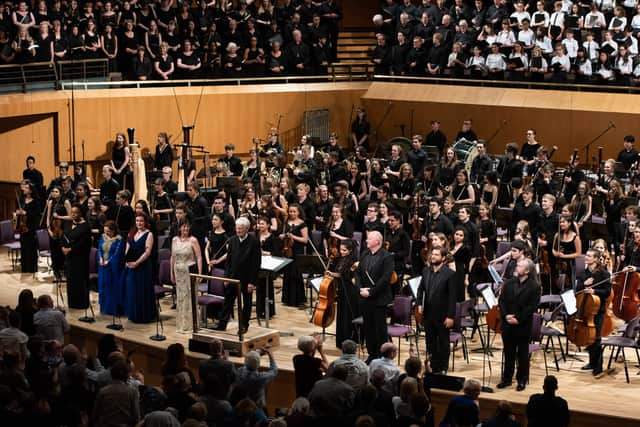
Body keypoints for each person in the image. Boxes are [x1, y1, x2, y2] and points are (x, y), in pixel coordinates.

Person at [498, 258, 541, 391]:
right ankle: (506, 379)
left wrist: (518, 319)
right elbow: (501, 301)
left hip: (522, 325)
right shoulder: (509, 283)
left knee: (522, 355)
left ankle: (522, 380)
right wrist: (505, 315)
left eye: (520, 266)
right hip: (507, 324)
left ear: (527, 271)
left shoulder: (534, 286)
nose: (517, 266)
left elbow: (532, 307)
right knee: (508, 353)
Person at [215, 217, 260, 334]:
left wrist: (252, 282)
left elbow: (256, 264)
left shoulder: (254, 242)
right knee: (228, 302)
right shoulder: (233, 240)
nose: (238, 231)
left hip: (246, 279)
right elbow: (228, 261)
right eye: (237, 228)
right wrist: (226, 277)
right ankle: (222, 324)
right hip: (232, 277)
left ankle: (244, 325)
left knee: (247, 303)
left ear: (246, 229)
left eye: (240, 229)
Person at [354, 230, 394, 363]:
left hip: (379, 299)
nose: (366, 241)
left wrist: (371, 292)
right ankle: (372, 354)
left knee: (380, 330)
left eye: (369, 239)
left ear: (377, 241)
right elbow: (358, 273)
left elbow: (385, 278)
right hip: (364, 298)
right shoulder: (365, 254)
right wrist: (360, 289)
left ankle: (382, 357)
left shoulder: (387, 256)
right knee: (368, 328)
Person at [416, 247, 456, 374]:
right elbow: (420, 289)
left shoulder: (449, 274)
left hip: (443, 314)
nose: (433, 256)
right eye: (432, 254)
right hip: (428, 313)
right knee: (430, 341)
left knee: (443, 342)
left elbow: (452, 298)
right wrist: (419, 303)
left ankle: (443, 368)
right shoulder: (426, 270)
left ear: (443, 258)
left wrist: (450, 316)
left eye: (436, 255)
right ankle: (432, 366)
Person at [577, 249, 611, 377]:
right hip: (585, 309)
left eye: (589, 256)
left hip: (598, 310)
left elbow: (607, 292)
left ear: (596, 259)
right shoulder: (584, 273)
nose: (586, 257)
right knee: (588, 337)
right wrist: (583, 284)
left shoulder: (604, 274)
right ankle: (591, 363)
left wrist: (594, 292)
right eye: (586, 255)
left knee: (596, 338)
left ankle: (598, 367)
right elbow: (576, 289)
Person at [170, 220, 202, 334]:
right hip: (178, 272)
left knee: (189, 297)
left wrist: (199, 273)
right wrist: (171, 273)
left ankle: (190, 324)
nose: (185, 229)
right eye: (183, 227)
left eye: (187, 227)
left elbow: (198, 257)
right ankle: (181, 324)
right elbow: (172, 257)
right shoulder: (174, 240)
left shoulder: (193, 240)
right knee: (180, 298)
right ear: (179, 228)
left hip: (189, 271)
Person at [124, 213, 155, 323]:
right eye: (137, 221)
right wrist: (126, 261)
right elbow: (127, 248)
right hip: (131, 266)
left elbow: (147, 252)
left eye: (141, 221)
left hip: (143, 266)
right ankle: (134, 314)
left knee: (142, 290)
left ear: (145, 222)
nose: (139, 223)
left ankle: (144, 315)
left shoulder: (149, 234)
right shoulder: (132, 233)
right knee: (132, 290)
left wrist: (137, 262)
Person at [327, 239, 359, 348]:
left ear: (350, 250)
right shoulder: (342, 259)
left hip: (350, 292)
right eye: (341, 249)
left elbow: (350, 277)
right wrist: (332, 273)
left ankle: (350, 341)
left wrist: (350, 270)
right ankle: (341, 339)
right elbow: (340, 274)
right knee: (342, 315)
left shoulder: (354, 261)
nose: (342, 252)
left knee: (348, 316)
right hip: (342, 290)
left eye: (344, 250)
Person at [62, 203, 92, 310]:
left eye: (76, 213)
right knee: (71, 280)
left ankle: (81, 304)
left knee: (80, 281)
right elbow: (63, 236)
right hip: (69, 257)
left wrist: (71, 249)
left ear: (81, 213)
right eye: (72, 212)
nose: (74, 215)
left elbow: (84, 243)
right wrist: (63, 247)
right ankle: (72, 303)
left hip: (80, 258)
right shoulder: (67, 223)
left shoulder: (86, 226)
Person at [280, 204, 309, 308]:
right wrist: (283, 236)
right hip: (288, 250)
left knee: (296, 274)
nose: (292, 213)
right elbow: (284, 235)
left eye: (294, 211)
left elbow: (305, 240)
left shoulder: (302, 224)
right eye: (290, 211)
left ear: (298, 212)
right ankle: (288, 299)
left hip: (297, 251)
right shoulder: (286, 222)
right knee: (288, 273)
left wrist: (293, 236)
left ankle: (299, 299)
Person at [98, 220, 124, 316]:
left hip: (113, 268)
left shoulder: (119, 240)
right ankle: (104, 308)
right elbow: (99, 250)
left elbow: (118, 254)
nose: (106, 233)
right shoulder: (102, 237)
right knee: (103, 286)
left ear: (113, 231)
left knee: (112, 287)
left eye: (108, 231)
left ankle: (114, 309)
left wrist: (109, 262)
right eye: (105, 231)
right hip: (103, 267)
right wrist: (100, 258)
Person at [16, 181, 41, 274]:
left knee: (31, 249)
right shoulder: (22, 200)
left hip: (31, 228)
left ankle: (32, 268)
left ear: (30, 191)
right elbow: (19, 211)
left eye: (26, 188)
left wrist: (26, 213)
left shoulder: (35, 202)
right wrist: (18, 212)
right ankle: (25, 268)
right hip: (23, 227)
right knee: (24, 248)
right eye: (24, 188)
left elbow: (37, 214)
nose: (24, 189)